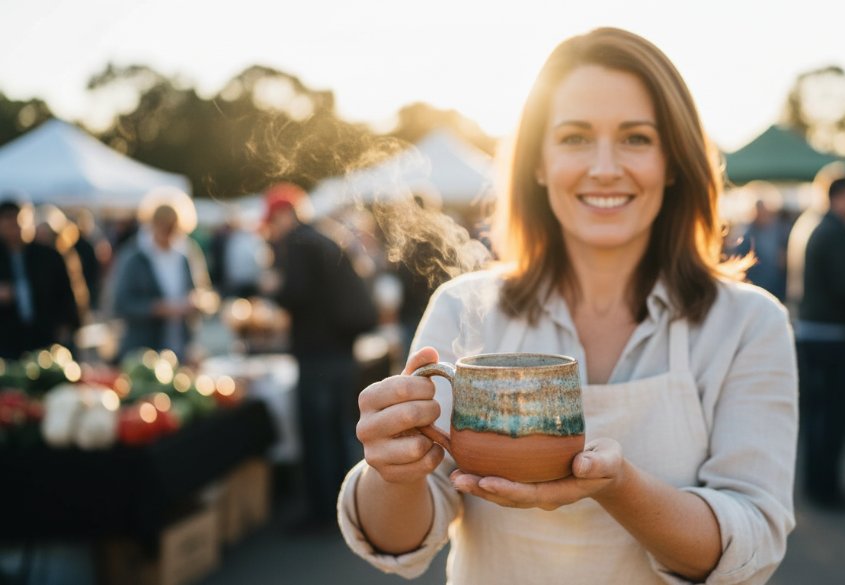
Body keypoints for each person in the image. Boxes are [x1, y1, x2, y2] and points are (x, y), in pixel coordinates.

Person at [339, 28, 798, 584]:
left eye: (636, 138)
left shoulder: (749, 323)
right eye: (575, 138)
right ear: (537, 162)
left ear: (673, 161)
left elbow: (749, 543)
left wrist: (619, 486)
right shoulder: (465, 308)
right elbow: (401, 542)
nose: (604, 167)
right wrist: (393, 470)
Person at [260, 182, 378, 528]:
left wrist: (273, 289)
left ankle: (322, 513)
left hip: (317, 353)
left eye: (273, 221)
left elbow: (295, 293)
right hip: (341, 351)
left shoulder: (297, 243)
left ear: (284, 215)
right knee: (340, 433)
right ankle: (348, 505)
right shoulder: (326, 237)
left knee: (317, 435)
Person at [796, 177, 845, 512]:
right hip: (830, 336)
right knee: (832, 415)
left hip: (816, 332)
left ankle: (820, 485)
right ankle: (826, 488)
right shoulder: (832, 231)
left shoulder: (817, 227)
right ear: (841, 197)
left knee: (819, 416)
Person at [112, 198, 211, 360]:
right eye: (164, 226)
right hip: (144, 351)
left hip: (181, 349)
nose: (168, 232)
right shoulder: (134, 257)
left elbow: (203, 291)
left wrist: (198, 301)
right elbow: (121, 303)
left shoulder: (186, 254)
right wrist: (158, 308)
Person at [0, 199, 80, 359]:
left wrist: (66, 326)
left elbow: (66, 295)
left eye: (18, 223)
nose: (14, 230)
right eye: (8, 224)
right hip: (6, 340)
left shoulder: (48, 256)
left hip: (45, 337)